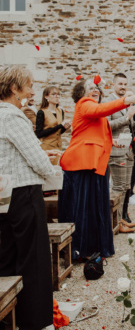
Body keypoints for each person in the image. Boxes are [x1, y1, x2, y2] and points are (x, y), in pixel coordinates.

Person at [58, 78, 135, 260]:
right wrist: (127, 100)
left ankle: (94, 247)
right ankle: (82, 249)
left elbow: (95, 132)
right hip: (82, 164)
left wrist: (112, 141)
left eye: (97, 87)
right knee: (84, 208)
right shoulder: (84, 104)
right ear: (81, 93)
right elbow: (101, 110)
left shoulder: (94, 110)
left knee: (94, 206)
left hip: (95, 163)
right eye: (91, 87)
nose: (96, 89)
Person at [0, 65, 58, 330]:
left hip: (6, 193)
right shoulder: (13, 116)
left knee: (8, 254)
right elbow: (35, 158)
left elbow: (12, 154)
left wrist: (43, 155)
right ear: (14, 88)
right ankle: (35, 321)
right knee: (33, 257)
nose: (33, 90)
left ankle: (9, 318)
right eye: (29, 85)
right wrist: (51, 172)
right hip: (24, 192)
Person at [103, 74, 135, 232]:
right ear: (113, 85)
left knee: (126, 187)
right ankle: (115, 222)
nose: (123, 87)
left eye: (125, 84)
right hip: (116, 151)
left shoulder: (125, 103)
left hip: (129, 150)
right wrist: (127, 116)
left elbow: (129, 127)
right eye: (120, 84)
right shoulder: (108, 102)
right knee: (118, 187)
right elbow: (106, 126)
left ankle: (123, 218)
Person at [36, 86, 71, 165]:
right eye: (53, 94)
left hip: (58, 146)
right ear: (46, 97)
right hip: (47, 147)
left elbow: (57, 132)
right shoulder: (42, 112)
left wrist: (64, 128)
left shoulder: (60, 111)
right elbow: (39, 134)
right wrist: (60, 126)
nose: (57, 96)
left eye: (58, 94)